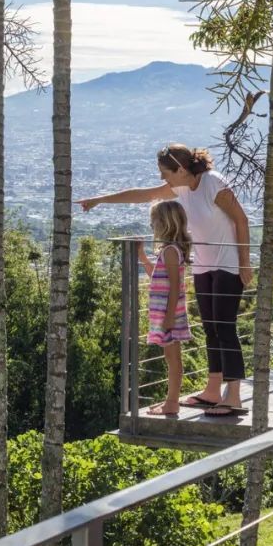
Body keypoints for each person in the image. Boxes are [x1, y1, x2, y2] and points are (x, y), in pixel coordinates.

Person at [77, 143, 253, 417]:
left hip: (228, 265)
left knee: (225, 328)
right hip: (204, 266)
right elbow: (143, 195)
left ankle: (234, 396)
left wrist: (245, 263)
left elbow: (241, 220)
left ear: (180, 169)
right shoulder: (181, 187)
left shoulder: (213, 183)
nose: (162, 179)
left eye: (164, 172)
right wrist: (101, 199)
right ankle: (213, 389)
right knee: (211, 329)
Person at [139, 200, 193, 416]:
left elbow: (174, 287)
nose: (152, 225)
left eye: (154, 221)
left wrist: (169, 317)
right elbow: (158, 278)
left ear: (165, 223)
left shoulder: (171, 251)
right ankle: (171, 400)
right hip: (167, 313)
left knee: (172, 359)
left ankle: (172, 403)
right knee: (170, 358)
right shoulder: (169, 250)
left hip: (169, 313)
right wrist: (143, 258)